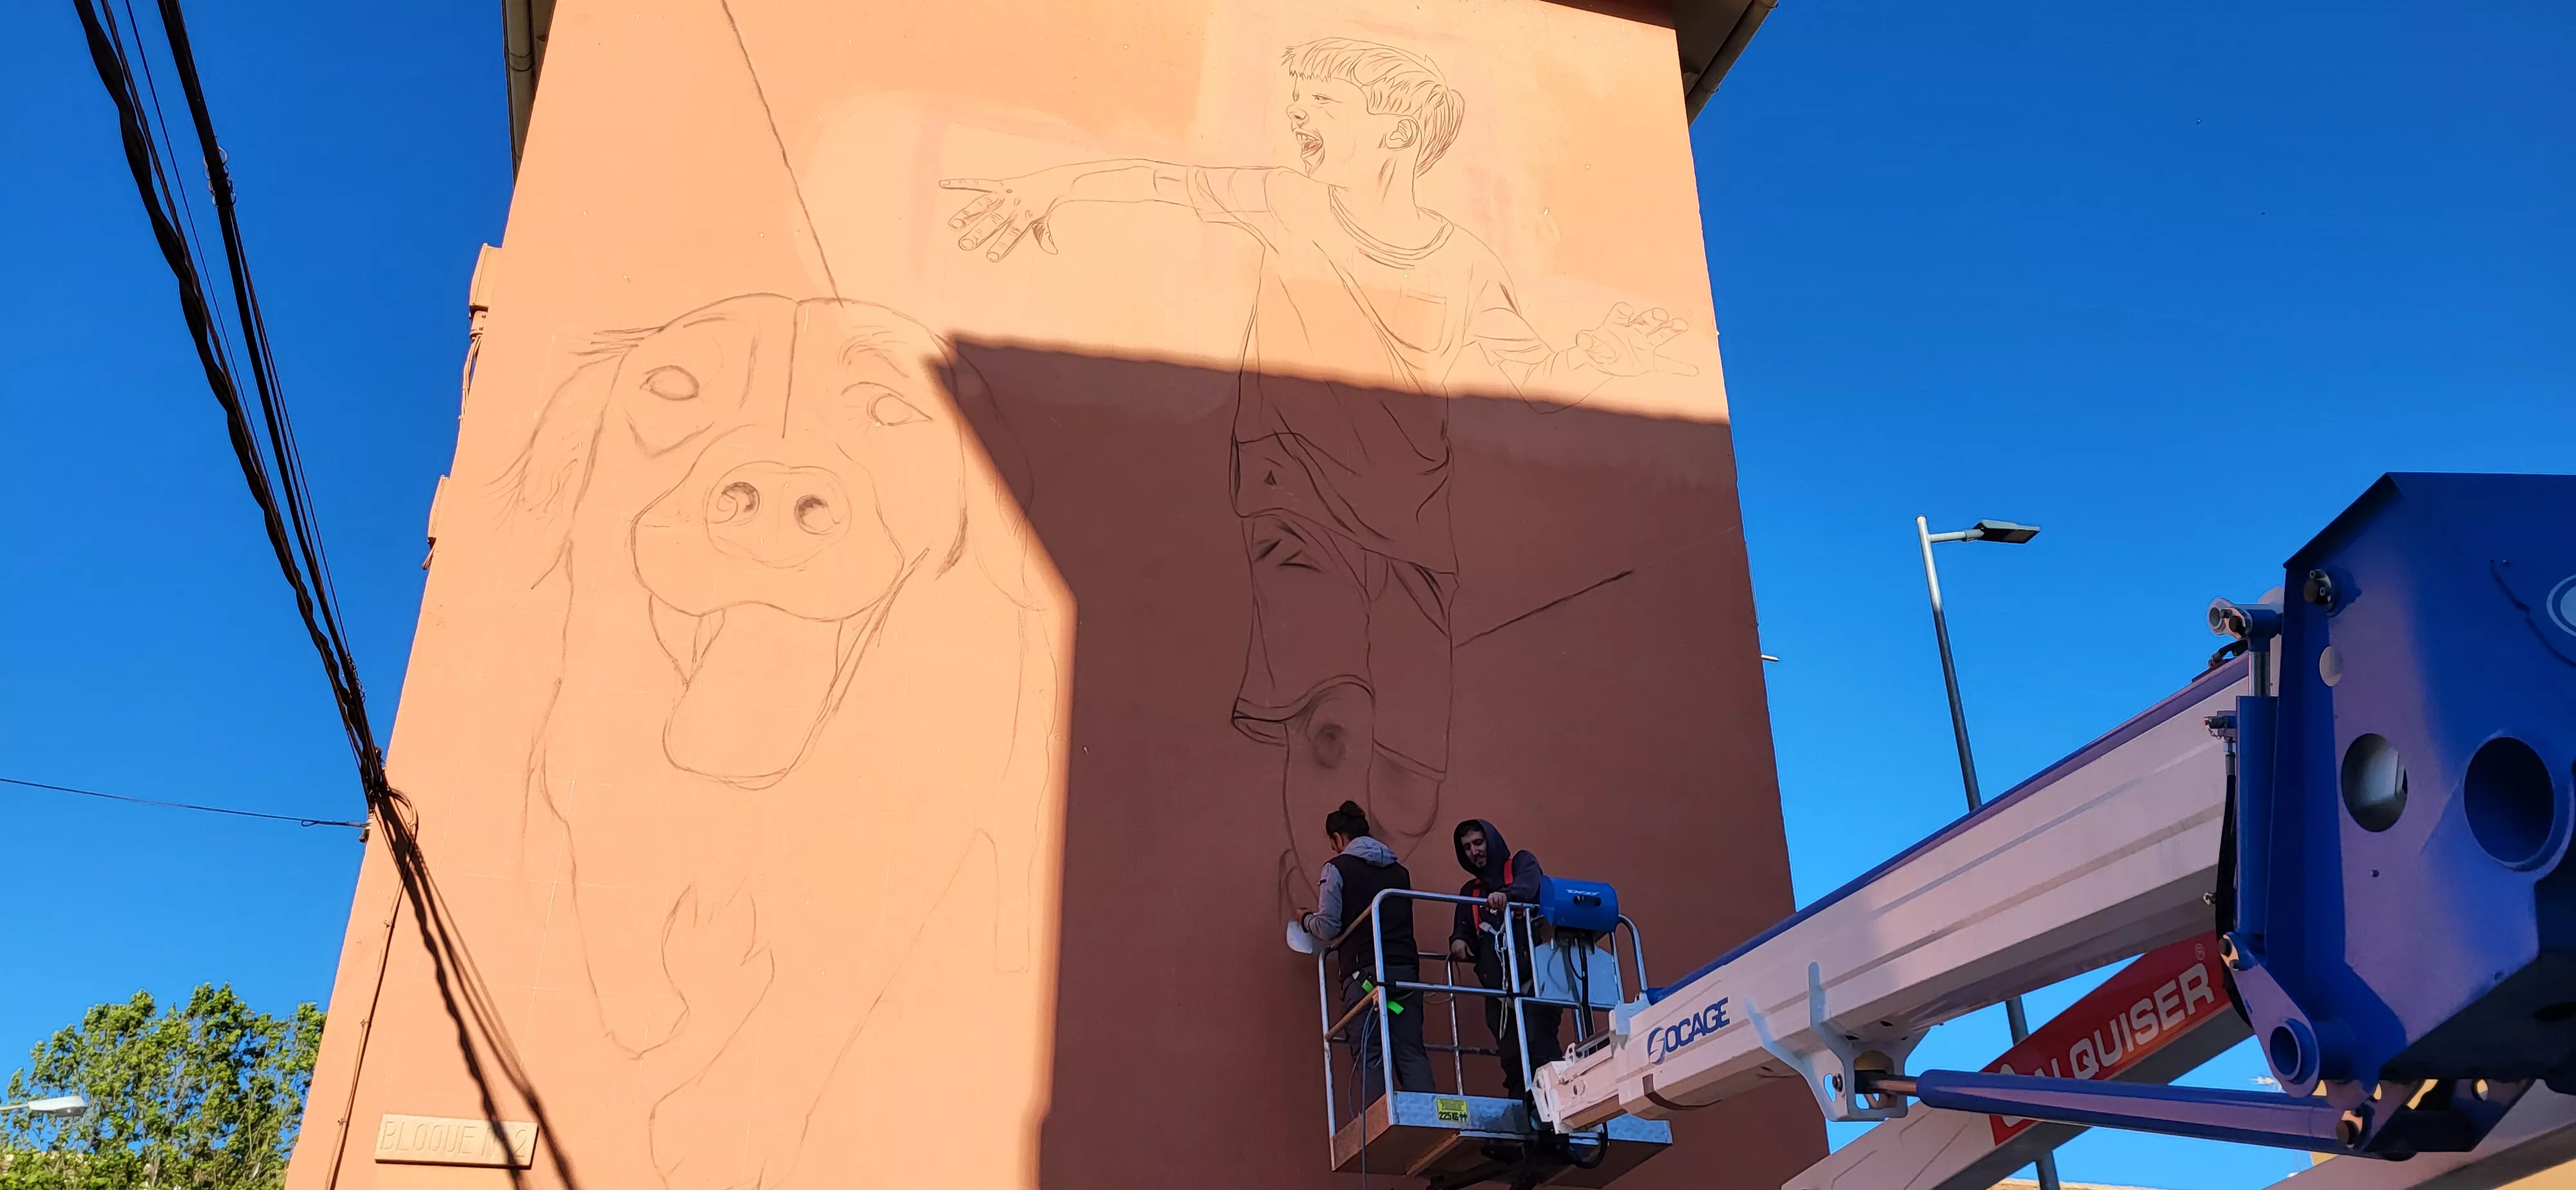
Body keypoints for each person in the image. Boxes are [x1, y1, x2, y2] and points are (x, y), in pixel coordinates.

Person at [941, 39, 1693, 892]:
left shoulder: (1461, 263)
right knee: (1332, 716)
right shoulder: (1287, 205)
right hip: (1291, 498)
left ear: (1397, 130)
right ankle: (1322, 885)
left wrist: (1607, 350)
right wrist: (1047, 188)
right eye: (1298, 99)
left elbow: (1531, 379)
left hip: (1412, 536)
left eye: (1323, 103)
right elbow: (1162, 183)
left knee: (1412, 781)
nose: (1297, 114)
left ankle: (1375, 879)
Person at [1300, 800, 1434, 1105]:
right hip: (1403, 981)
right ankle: (1429, 1121)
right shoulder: (1400, 872)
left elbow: (1328, 926)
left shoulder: (1337, 868)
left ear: (1337, 838)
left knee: (1372, 1051)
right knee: (1410, 1049)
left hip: (1365, 980)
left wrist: (1304, 919)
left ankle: (1379, 1127)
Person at [1448, 817, 1560, 1103]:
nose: (1475, 851)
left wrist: (1505, 896)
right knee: (1512, 1058)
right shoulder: (1470, 893)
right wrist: (1458, 942)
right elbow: (1464, 931)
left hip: (1535, 982)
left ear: (1491, 841)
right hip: (1499, 994)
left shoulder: (1521, 864)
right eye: (1468, 847)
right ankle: (1525, 1116)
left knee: (1540, 1049)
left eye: (1479, 842)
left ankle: (1556, 1117)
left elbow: (1528, 887)